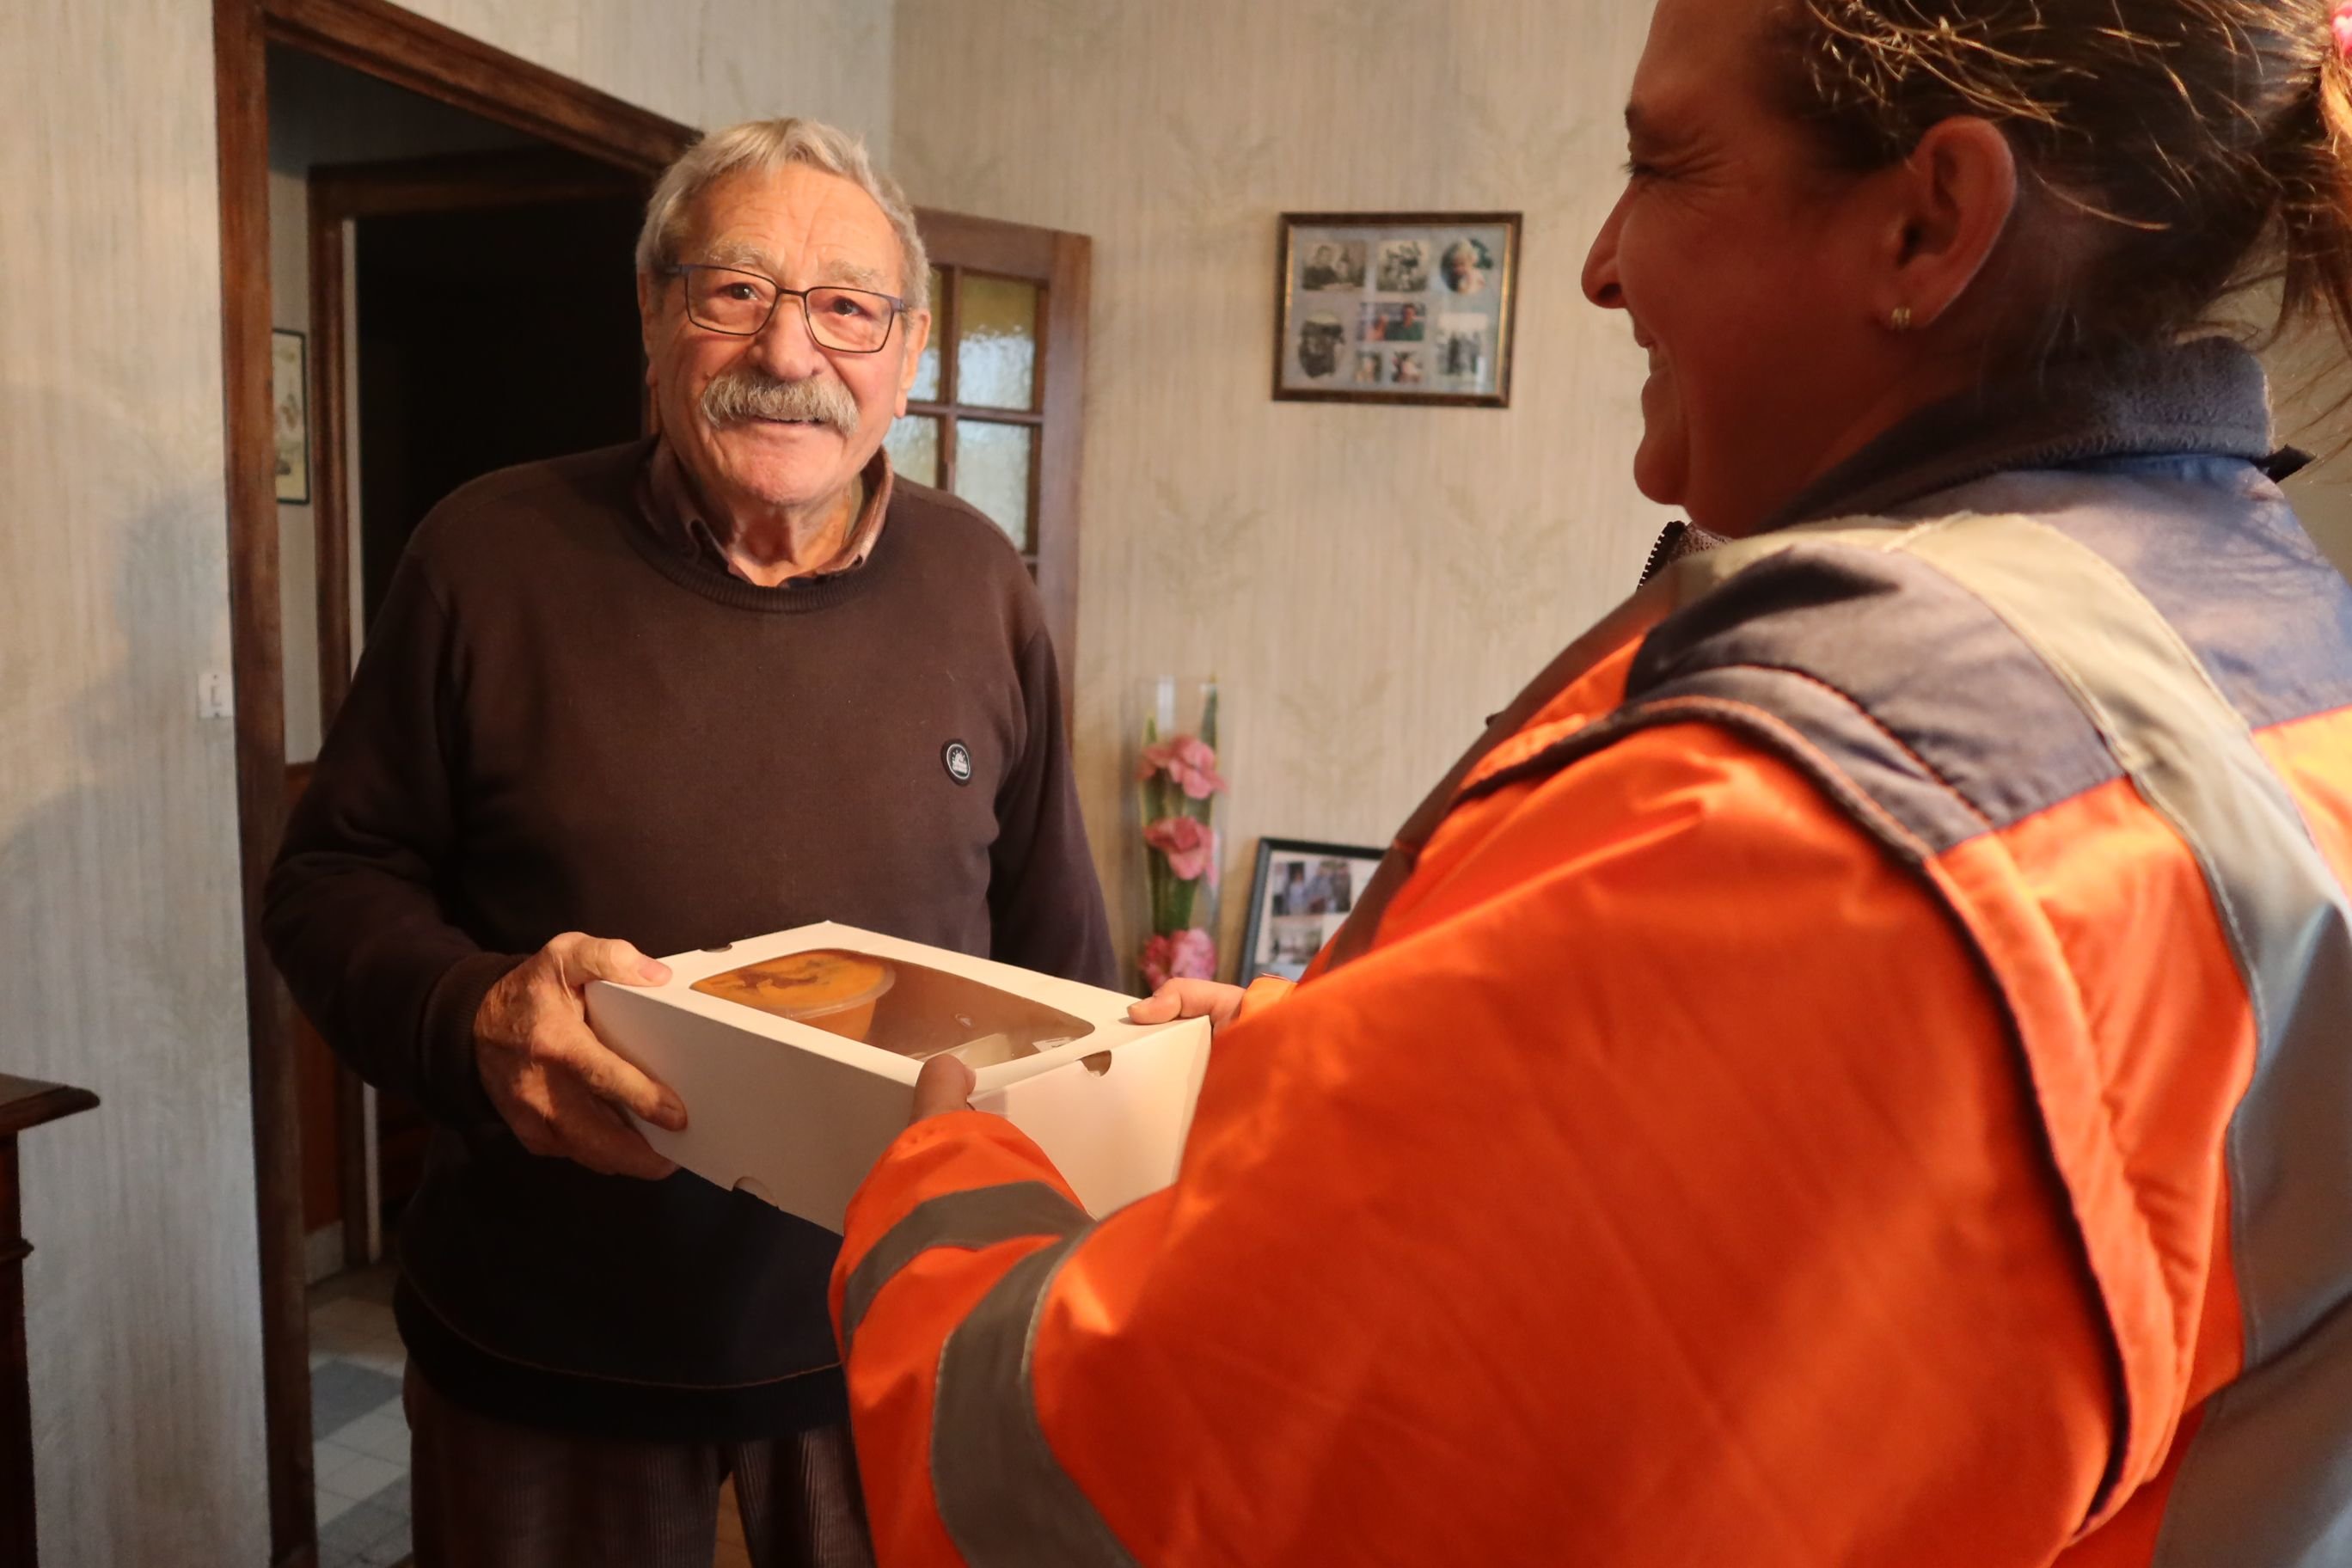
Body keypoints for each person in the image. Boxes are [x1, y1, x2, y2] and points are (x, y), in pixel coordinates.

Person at [826, 0, 2352, 1562]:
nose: (1603, 263)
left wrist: (938, 1182)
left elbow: (1103, 1490)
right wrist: (1353, 1060)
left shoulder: (1802, 811)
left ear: (1928, 223)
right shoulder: (2271, 644)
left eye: (1663, 165)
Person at [265, 117, 1112, 1568]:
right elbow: (332, 880)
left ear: (906, 356)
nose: (791, 352)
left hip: (894, 1347)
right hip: (549, 1362)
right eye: (735, 292)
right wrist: (476, 1014)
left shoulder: (982, 580)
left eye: (847, 307)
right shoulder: (486, 554)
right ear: (654, 314)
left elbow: (1061, 954)